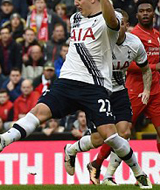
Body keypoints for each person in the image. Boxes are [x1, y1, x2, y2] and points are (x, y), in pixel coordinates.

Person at [0, 0, 152, 188]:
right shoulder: (75, 18)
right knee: (39, 111)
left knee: (109, 136)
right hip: (67, 80)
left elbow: (112, 22)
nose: (76, 2)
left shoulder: (110, 18)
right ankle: (3, 140)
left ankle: (139, 173)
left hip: (94, 85)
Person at [93, 0, 160, 185]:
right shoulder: (132, 36)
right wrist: (154, 66)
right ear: (136, 16)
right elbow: (129, 65)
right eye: (141, 11)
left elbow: (149, 67)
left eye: (148, 10)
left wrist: (158, 77)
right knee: (121, 132)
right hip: (135, 90)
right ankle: (96, 163)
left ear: (154, 14)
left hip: (155, 90)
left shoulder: (157, 34)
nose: (145, 13)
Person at [63, 10, 153, 185]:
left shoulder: (135, 44)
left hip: (119, 91)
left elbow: (145, 68)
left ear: (126, 25)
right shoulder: (98, 41)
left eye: (121, 23)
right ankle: (71, 150)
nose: (117, 25)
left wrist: (147, 90)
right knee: (99, 140)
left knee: (125, 132)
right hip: (99, 91)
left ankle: (108, 176)